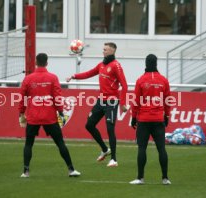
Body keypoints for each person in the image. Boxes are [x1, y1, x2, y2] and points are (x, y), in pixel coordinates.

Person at [19, 53, 81, 178]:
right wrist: (60, 111)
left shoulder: (28, 78)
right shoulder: (53, 77)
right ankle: (71, 170)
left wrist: (21, 113)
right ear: (47, 63)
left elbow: (22, 98)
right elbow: (57, 96)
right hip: (49, 117)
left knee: (28, 144)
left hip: (33, 117)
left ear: (36, 62)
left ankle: (25, 171)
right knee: (60, 143)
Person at [66, 42, 128, 167]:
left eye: (105, 49)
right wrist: (74, 76)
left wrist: (122, 103)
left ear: (112, 51)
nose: (103, 51)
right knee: (89, 125)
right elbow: (89, 73)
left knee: (110, 128)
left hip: (112, 102)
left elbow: (124, 85)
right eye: (103, 49)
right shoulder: (101, 65)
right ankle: (105, 149)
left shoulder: (116, 66)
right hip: (101, 101)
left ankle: (114, 159)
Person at [129, 54, 171, 185]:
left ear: (146, 64)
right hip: (158, 119)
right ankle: (165, 178)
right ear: (156, 63)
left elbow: (136, 101)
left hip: (144, 119)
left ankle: (140, 178)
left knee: (142, 148)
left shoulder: (141, 80)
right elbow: (168, 101)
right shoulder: (163, 80)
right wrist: (167, 116)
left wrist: (134, 118)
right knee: (161, 149)